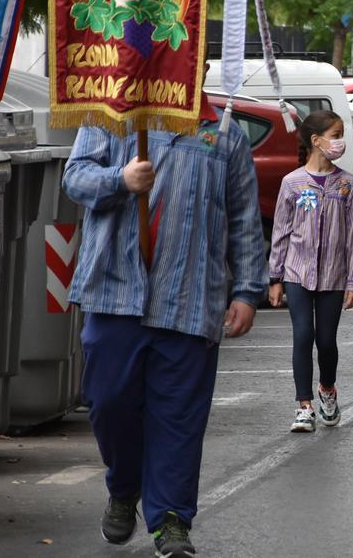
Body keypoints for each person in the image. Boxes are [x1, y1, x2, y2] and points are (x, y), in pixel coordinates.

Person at [64, 98, 265, 556]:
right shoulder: (111, 117)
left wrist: (247, 291)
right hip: (115, 292)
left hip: (191, 298)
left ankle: (171, 520)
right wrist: (121, 179)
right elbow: (74, 177)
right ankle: (123, 486)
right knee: (108, 401)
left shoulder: (224, 132)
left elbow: (243, 217)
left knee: (178, 418)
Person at [267, 111, 353, 433]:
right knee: (302, 335)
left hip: (334, 276)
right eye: (335, 135)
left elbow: (352, 235)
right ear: (316, 140)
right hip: (297, 273)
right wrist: (276, 277)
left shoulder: (347, 183)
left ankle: (327, 389)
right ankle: (304, 405)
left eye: (341, 135)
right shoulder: (292, 183)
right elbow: (281, 231)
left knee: (326, 340)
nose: (339, 141)